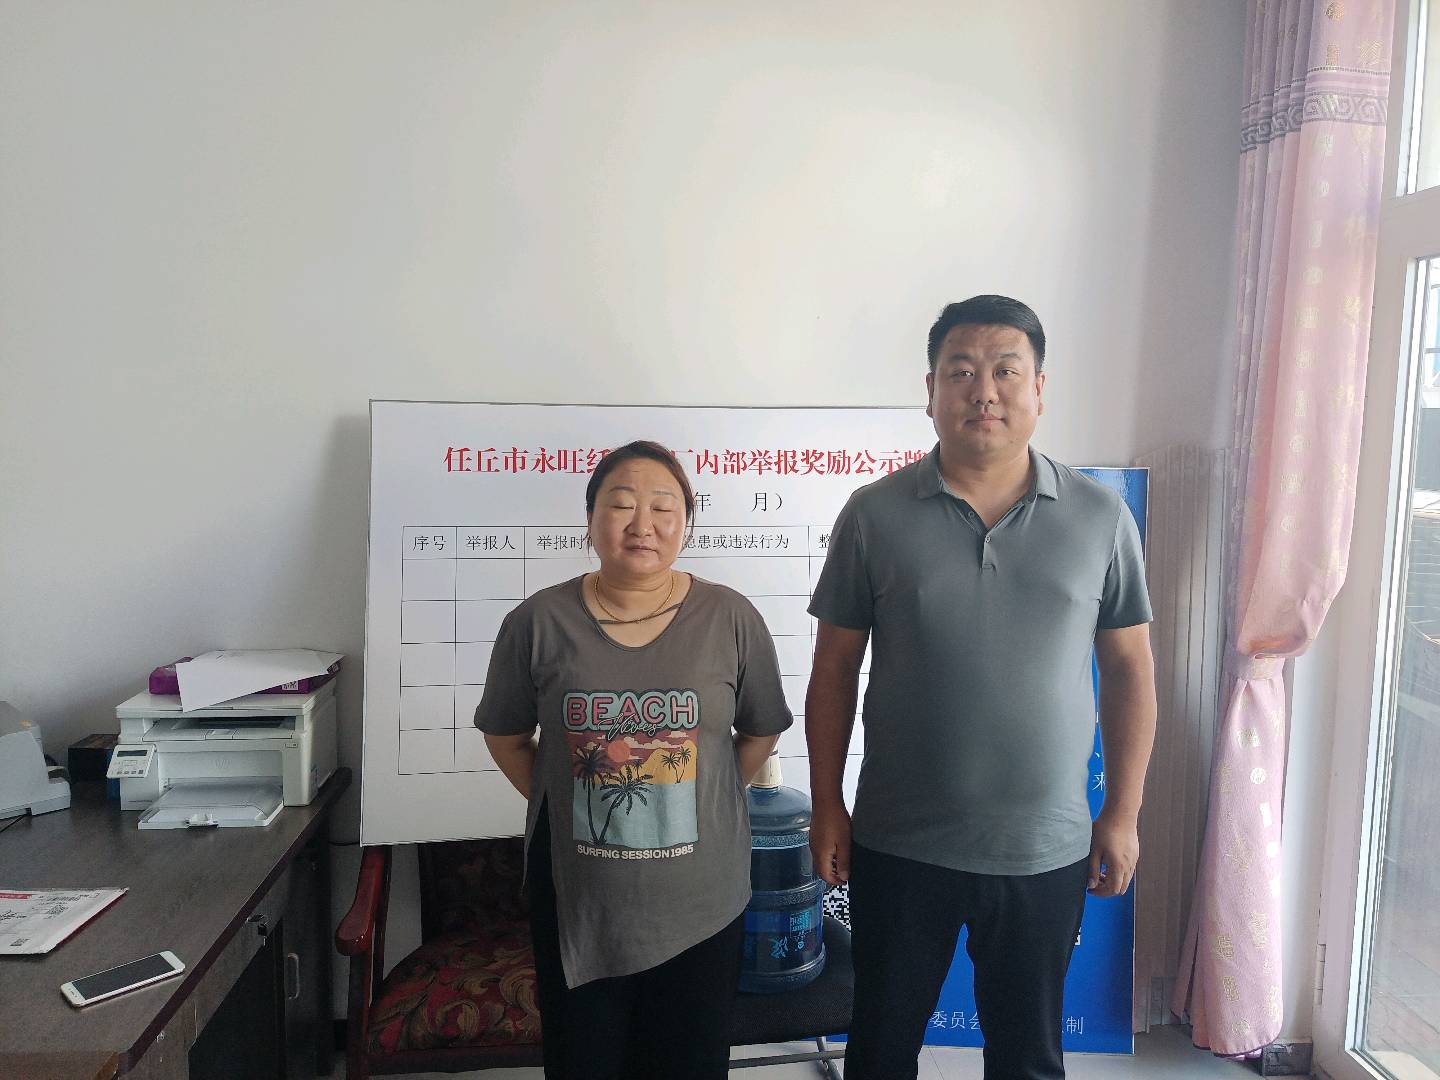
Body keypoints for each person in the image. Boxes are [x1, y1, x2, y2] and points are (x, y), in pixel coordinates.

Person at [806, 295, 1158, 1080]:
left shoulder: (1101, 518)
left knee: (1028, 1057)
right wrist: (828, 803)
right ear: (930, 390)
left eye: (1006, 371)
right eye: (961, 371)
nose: (984, 391)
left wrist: (1123, 813)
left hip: (1043, 847)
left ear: (1040, 389)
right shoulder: (874, 515)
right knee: (880, 1049)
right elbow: (834, 670)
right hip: (899, 842)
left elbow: (1131, 671)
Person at [477, 439, 792, 1080]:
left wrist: (707, 793)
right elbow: (506, 737)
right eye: (621, 504)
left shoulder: (731, 618)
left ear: (686, 521)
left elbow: (761, 730)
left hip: (703, 901)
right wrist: (574, 797)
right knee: (584, 1062)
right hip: (580, 902)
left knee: (688, 1064)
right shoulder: (537, 622)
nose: (642, 524)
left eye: (663, 507)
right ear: (591, 518)